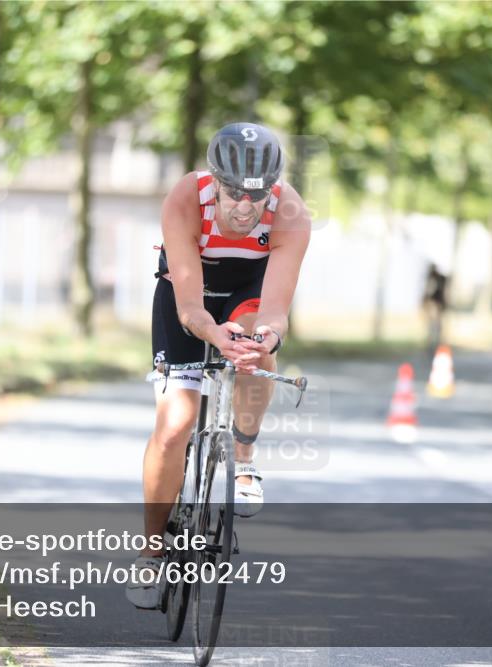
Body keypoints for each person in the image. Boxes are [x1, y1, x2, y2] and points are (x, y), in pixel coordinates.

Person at [127, 122, 311, 609]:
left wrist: (265, 336)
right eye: (233, 194)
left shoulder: (290, 212)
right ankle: (150, 551)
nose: (245, 206)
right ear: (215, 182)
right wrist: (211, 334)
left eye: (257, 195)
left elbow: (274, 311)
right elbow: (189, 309)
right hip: (188, 289)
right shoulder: (187, 198)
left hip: (247, 287)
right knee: (175, 423)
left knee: (257, 350)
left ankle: (245, 462)